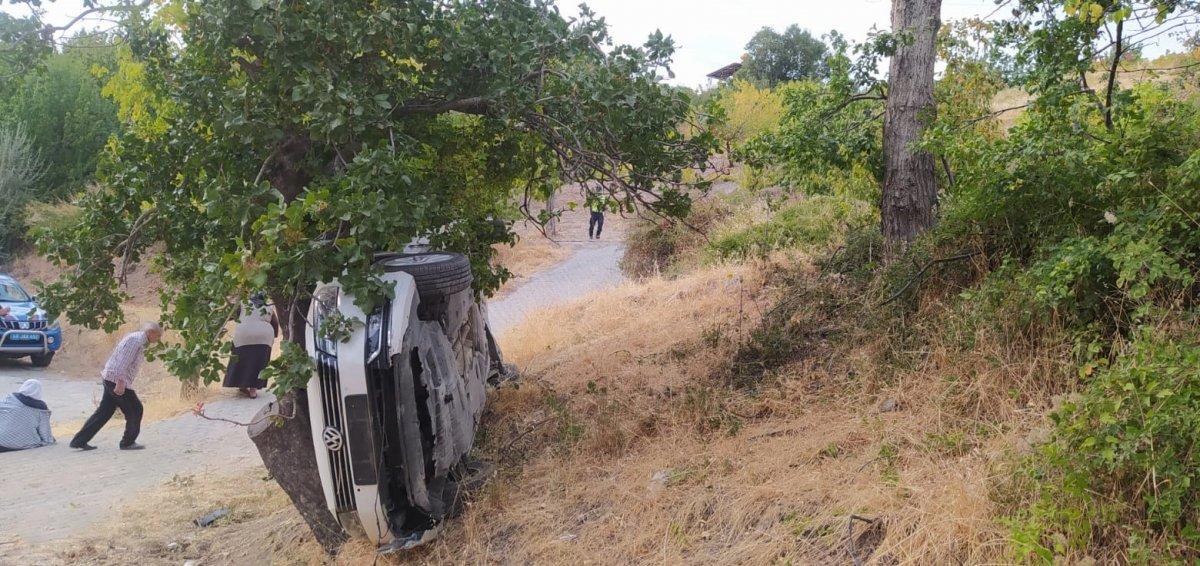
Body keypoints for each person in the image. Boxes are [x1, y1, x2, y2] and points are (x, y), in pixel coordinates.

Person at [70, 322, 163, 451]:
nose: (158, 339)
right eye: (158, 336)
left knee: (104, 412)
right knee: (135, 409)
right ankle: (127, 442)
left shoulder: (138, 339)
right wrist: (120, 383)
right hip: (116, 379)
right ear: (150, 332)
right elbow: (122, 362)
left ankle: (79, 441)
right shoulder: (135, 341)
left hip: (112, 378)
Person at [222, 293, 278, 399]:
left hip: (244, 335)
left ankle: (241, 384)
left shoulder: (243, 303)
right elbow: (275, 323)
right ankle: (253, 391)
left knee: (241, 359)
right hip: (264, 337)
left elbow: (233, 316)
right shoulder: (268, 307)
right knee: (259, 363)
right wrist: (274, 335)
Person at [0, 379, 55, 452]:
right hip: (23, 443)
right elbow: (45, 431)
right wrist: (49, 441)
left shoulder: (8, 399)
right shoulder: (41, 408)